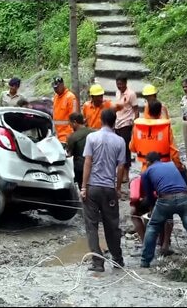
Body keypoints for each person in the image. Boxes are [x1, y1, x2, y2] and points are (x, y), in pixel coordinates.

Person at [128, 100, 182, 255]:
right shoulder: (166, 128)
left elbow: (132, 147)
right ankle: (165, 244)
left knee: (145, 209)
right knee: (166, 210)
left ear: (146, 111)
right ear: (160, 112)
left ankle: (147, 243)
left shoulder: (138, 127)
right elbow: (174, 152)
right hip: (164, 175)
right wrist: (179, 168)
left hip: (146, 174)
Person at [81, 109, 126, 272]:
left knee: (91, 226)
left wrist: (84, 187)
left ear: (101, 120)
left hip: (92, 188)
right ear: (115, 122)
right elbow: (121, 167)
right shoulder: (120, 141)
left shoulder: (91, 138)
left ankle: (98, 262)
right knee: (112, 225)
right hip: (109, 189)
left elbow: (88, 162)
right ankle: (117, 258)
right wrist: (118, 188)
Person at [113, 74, 138, 183]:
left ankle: (126, 175)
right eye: (118, 84)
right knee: (118, 149)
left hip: (127, 124)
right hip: (118, 124)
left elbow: (136, 110)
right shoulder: (117, 93)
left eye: (121, 84)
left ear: (125, 83)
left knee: (126, 151)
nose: (120, 86)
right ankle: (121, 173)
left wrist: (135, 125)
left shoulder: (131, 94)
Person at [67, 113, 93, 189]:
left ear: (74, 122)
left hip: (80, 168)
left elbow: (70, 154)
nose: (70, 126)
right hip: (94, 166)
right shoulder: (93, 132)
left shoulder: (73, 137)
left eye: (70, 123)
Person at [52, 77, 79, 145]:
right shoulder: (56, 97)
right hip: (57, 136)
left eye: (57, 87)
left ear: (62, 85)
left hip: (67, 136)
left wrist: (72, 136)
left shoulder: (71, 97)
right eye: (54, 88)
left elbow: (74, 118)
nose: (56, 90)